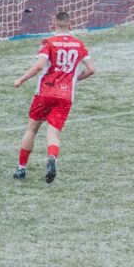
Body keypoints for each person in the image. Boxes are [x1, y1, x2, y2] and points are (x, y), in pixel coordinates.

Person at [13, 12, 95, 183]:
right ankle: (51, 158)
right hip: (65, 96)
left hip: (45, 93)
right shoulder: (79, 44)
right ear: (70, 26)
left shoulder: (48, 42)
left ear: (53, 25)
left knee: (31, 130)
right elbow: (91, 70)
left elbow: (38, 66)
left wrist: (21, 79)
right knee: (53, 133)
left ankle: (21, 169)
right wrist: (75, 79)